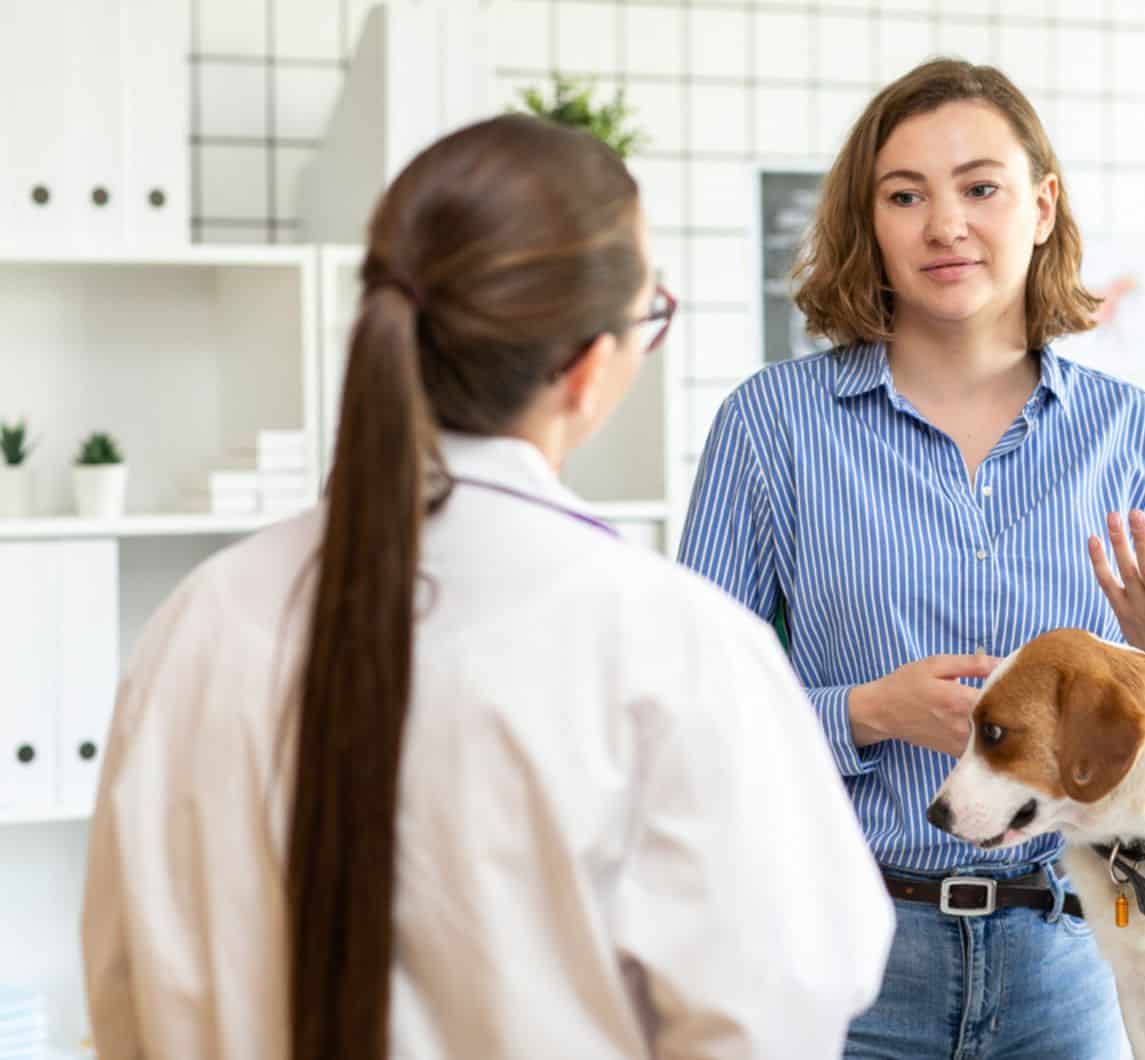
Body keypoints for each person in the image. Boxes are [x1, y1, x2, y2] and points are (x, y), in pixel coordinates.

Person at [80, 114, 893, 1060]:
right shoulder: (672, 649)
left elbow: (120, 985)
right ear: (590, 369)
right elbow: (772, 1021)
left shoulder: (200, 621)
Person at [677, 58, 1145, 1058]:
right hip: (842, 963)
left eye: (980, 186)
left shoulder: (1133, 436)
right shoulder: (771, 427)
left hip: (1076, 964)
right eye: (905, 195)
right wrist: (866, 712)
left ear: (1040, 205)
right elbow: (684, 714)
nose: (946, 225)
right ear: (868, 221)